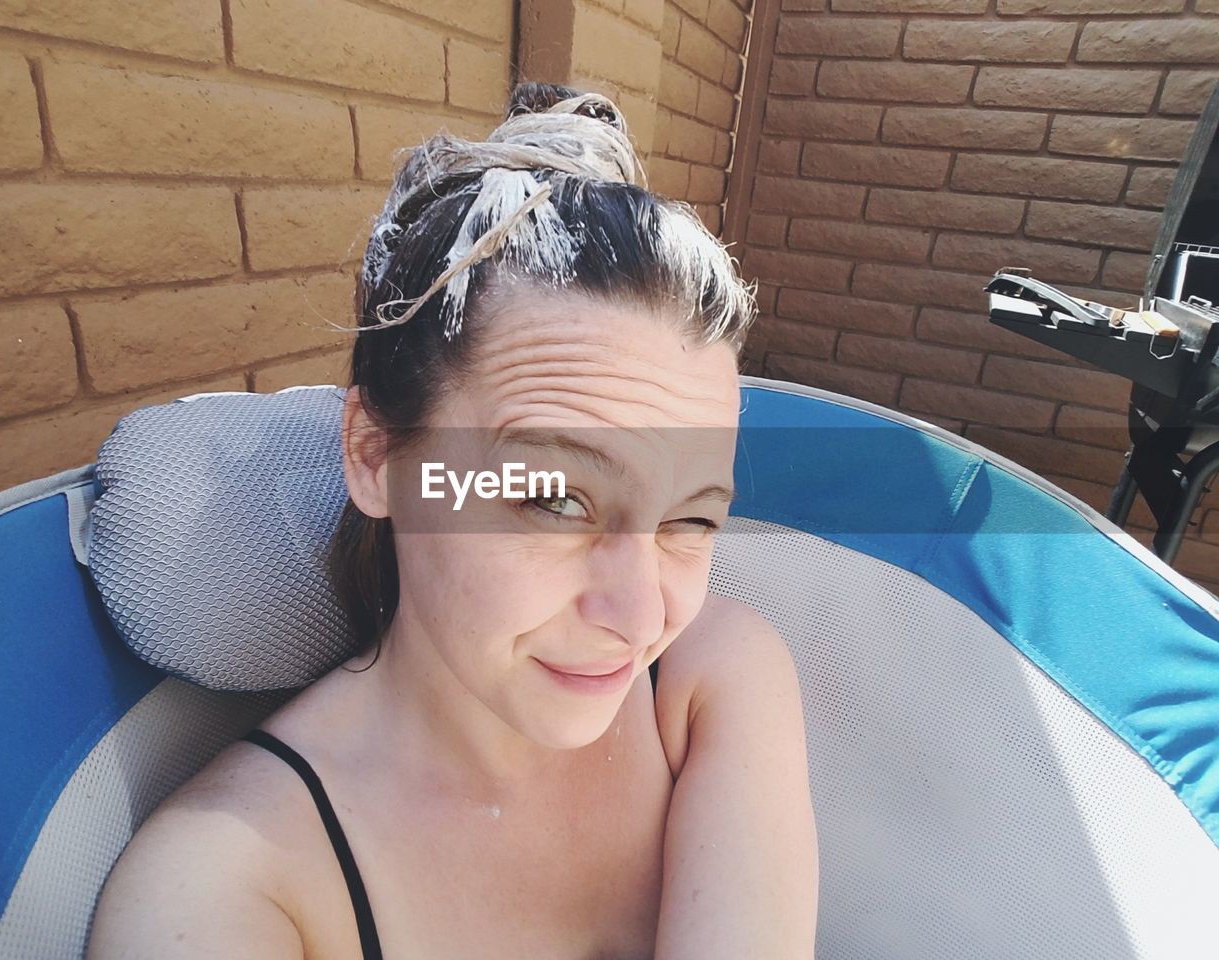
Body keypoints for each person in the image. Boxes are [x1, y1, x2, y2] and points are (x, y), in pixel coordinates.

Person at [86, 81, 818, 960]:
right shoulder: (229, 890)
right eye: (554, 499)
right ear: (373, 455)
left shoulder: (712, 680)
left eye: (691, 522)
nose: (641, 617)